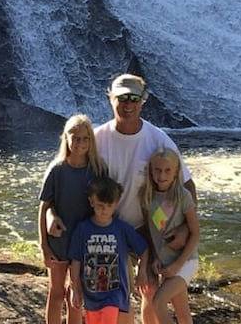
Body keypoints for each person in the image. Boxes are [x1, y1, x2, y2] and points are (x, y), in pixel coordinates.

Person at [52, 73, 196, 324]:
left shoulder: (158, 139)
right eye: (121, 98)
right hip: (105, 229)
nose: (127, 104)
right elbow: (64, 171)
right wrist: (50, 213)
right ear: (111, 99)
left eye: (133, 98)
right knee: (95, 294)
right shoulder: (97, 139)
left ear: (143, 101)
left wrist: (184, 227)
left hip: (145, 232)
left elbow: (187, 185)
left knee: (149, 292)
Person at [39, 114, 107, 324]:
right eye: (75, 138)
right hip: (59, 241)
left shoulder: (97, 170)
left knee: (76, 294)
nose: (80, 143)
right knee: (57, 292)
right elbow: (44, 207)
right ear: (66, 139)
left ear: (91, 141)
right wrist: (44, 245)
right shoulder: (57, 169)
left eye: (85, 138)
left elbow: (106, 206)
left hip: (85, 243)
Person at [69, 176, 150, 324]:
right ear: (91, 201)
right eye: (100, 205)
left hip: (115, 294)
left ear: (116, 203)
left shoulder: (122, 228)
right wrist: (74, 287)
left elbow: (143, 249)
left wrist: (142, 271)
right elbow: (75, 261)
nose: (104, 210)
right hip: (91, 295)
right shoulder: (82, 229)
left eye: (109, 205)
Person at [141, 148, 199, 324]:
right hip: (165, 263)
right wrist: (155, 258)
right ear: (151, 171)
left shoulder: (183, 196)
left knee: (158, 301)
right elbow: (151, 233)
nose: (162, 175)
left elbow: (195, 233)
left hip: (185, 262)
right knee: (182, 313)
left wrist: (177, 265)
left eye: (167, 170)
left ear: (175, 173)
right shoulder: (146, 197)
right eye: (157, 170)